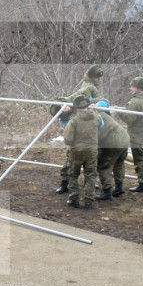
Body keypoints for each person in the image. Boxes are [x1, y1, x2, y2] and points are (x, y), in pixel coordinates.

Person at [56, 65, 104, 194]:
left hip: (90, 120)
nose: (99, 79)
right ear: (92, 77)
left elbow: (100, 100)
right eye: (97, 77)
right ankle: (65, 182)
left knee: (91, 159)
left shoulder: (96, 86)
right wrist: (64, 102)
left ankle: (89, 183)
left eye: (99, 77)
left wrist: (98, 105)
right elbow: (75, 98)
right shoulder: (87, 87)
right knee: (71, 156)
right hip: (79, 121)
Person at [62, 95, 99, 210]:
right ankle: (88, 201)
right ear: (88, 106)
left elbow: (67, 139)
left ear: (77, 107)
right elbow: (100, 125)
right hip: (91, 152)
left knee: (73, 175)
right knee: (90, 176)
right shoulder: (96, 117)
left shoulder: (74, 121)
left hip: (76, 152)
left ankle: (74, 199)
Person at [94, 100, 129, 201]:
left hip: (113, 141)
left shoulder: (94, 117)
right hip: (124, 137)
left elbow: (96, 138)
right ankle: (119, 187)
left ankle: (107, 192)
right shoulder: (105, 114)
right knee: (119, 163)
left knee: (104, 165)